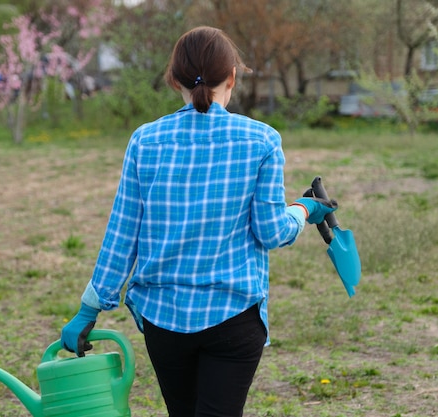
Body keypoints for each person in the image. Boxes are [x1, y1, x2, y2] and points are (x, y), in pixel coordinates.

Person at [61, 26, 337, 417]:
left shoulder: (145, 141)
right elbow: (272, 231)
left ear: (173, 78)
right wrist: (304, 209)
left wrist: (89, 310)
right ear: (233, 77)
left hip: (163, 321)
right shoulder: (261, 140)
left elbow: (122, 237)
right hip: (234, 319)